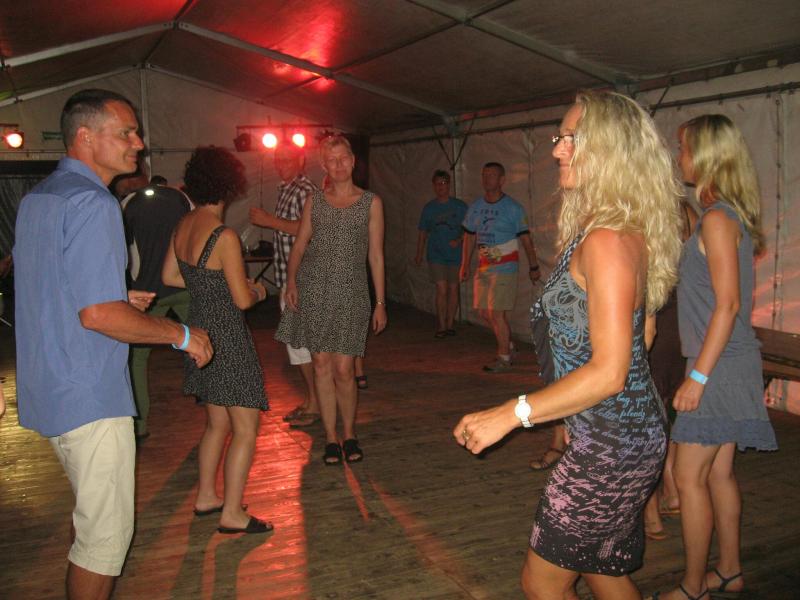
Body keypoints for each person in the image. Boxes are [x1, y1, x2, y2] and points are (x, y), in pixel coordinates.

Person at [454, 90, 683, 600]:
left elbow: (611, 372)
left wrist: (511, 414)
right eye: (559, 137)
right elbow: (642, 335)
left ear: (610, 148)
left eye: (571, 138)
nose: (557, 148)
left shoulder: (607, 241)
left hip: (611, 446)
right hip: (621, 435)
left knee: (542, 583)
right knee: (602, 570)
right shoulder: (617, 230)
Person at [13, 88, 212, 600]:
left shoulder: (40, 198)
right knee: (104, 542)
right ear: (85, 137)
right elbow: (98, 316)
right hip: (90, 396)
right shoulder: (93, 202)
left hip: (49, 388)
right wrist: (182, 335)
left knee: (90, 519)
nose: (138, 144)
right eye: (125, 133)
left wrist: (117, 296)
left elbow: (52, 288)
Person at [651, 115, 778, 600]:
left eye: (684, 148)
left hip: (717, 365)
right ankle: (728, 571)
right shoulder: (721, 215)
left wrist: (698, 377)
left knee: (688, 478)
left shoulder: (718, 219)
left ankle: (693, 587)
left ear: (705, 155)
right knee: (719, 473)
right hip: (725, 360)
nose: (679, 157)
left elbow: (727, 304)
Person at [162, 146, 271, 535]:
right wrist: (259, 290)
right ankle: (232, 514)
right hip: (227, 337)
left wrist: (207, 286)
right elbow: (242, 300)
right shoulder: (223, 235)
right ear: (229, 185)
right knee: (246, 428)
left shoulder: (184, 224)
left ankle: (207, 496)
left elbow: (170, 277)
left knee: (216, 424)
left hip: (197, 332)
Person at [276, 134, 387, 465]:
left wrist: (381, 302)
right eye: (331, 160)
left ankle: (349, 434)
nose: (338, 165)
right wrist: (291, 281)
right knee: (321, 364)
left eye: (343, 159)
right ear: (323, 165)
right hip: (314, 290)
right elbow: (299, 245)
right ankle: (329, 437)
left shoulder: (371, 203)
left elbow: (376, 256)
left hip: (352, 293)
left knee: (344, 369)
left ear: (353, 161)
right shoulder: (315, 201)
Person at [249, 144, 321, 428]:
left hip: (303, 280)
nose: (281, 164)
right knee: (299, 347)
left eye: (287, 160)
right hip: (290, 280)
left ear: (301, 160)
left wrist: (270, 221)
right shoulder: (287, 188)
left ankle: (316, 404)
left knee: (303, 346)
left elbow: (311, 229)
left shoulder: (304, 190)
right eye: (278, 160)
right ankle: (313, 400)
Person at [642, 200, 698, 540]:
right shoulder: (686, 212)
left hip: (661, 324)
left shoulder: (652, 215)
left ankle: (652, 512)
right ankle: (673, 491)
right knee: (669, 413)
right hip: (682, 327)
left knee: (652, 417)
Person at [123, 166, 192, 439]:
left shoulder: (128, 204)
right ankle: (211, 400)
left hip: (146, 292)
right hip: (183, 285)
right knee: (201, 341)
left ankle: (140, 425)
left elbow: (126, 253)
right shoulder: (180, 199)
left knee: (137, 360)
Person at [460, 162, 541, 372]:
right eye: (484, 175)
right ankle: (509, 345)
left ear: (502, 180)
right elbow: (469, 236)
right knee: (483, 312)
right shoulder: (476, 207)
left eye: (492, 175)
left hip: (505, 268)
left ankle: (504, 357)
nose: (487, 179)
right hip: (484, 268)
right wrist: (464, 264)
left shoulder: (513, 208)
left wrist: (534, 266)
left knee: (496, 313)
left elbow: (526, 240)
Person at [415, 170, 468, 337]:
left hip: (455, 254)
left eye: (443, 183)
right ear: (433, 186)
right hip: (436, 253)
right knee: (441, 288)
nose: (440, 187)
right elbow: (423, 232)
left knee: (453, 288)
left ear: (449, 185)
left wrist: (459, 240)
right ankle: (441, 325)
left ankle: (450, 323)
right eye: (437, 184)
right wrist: (419, 253)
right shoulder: (429, 208)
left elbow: (469, 229)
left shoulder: (460, 206)